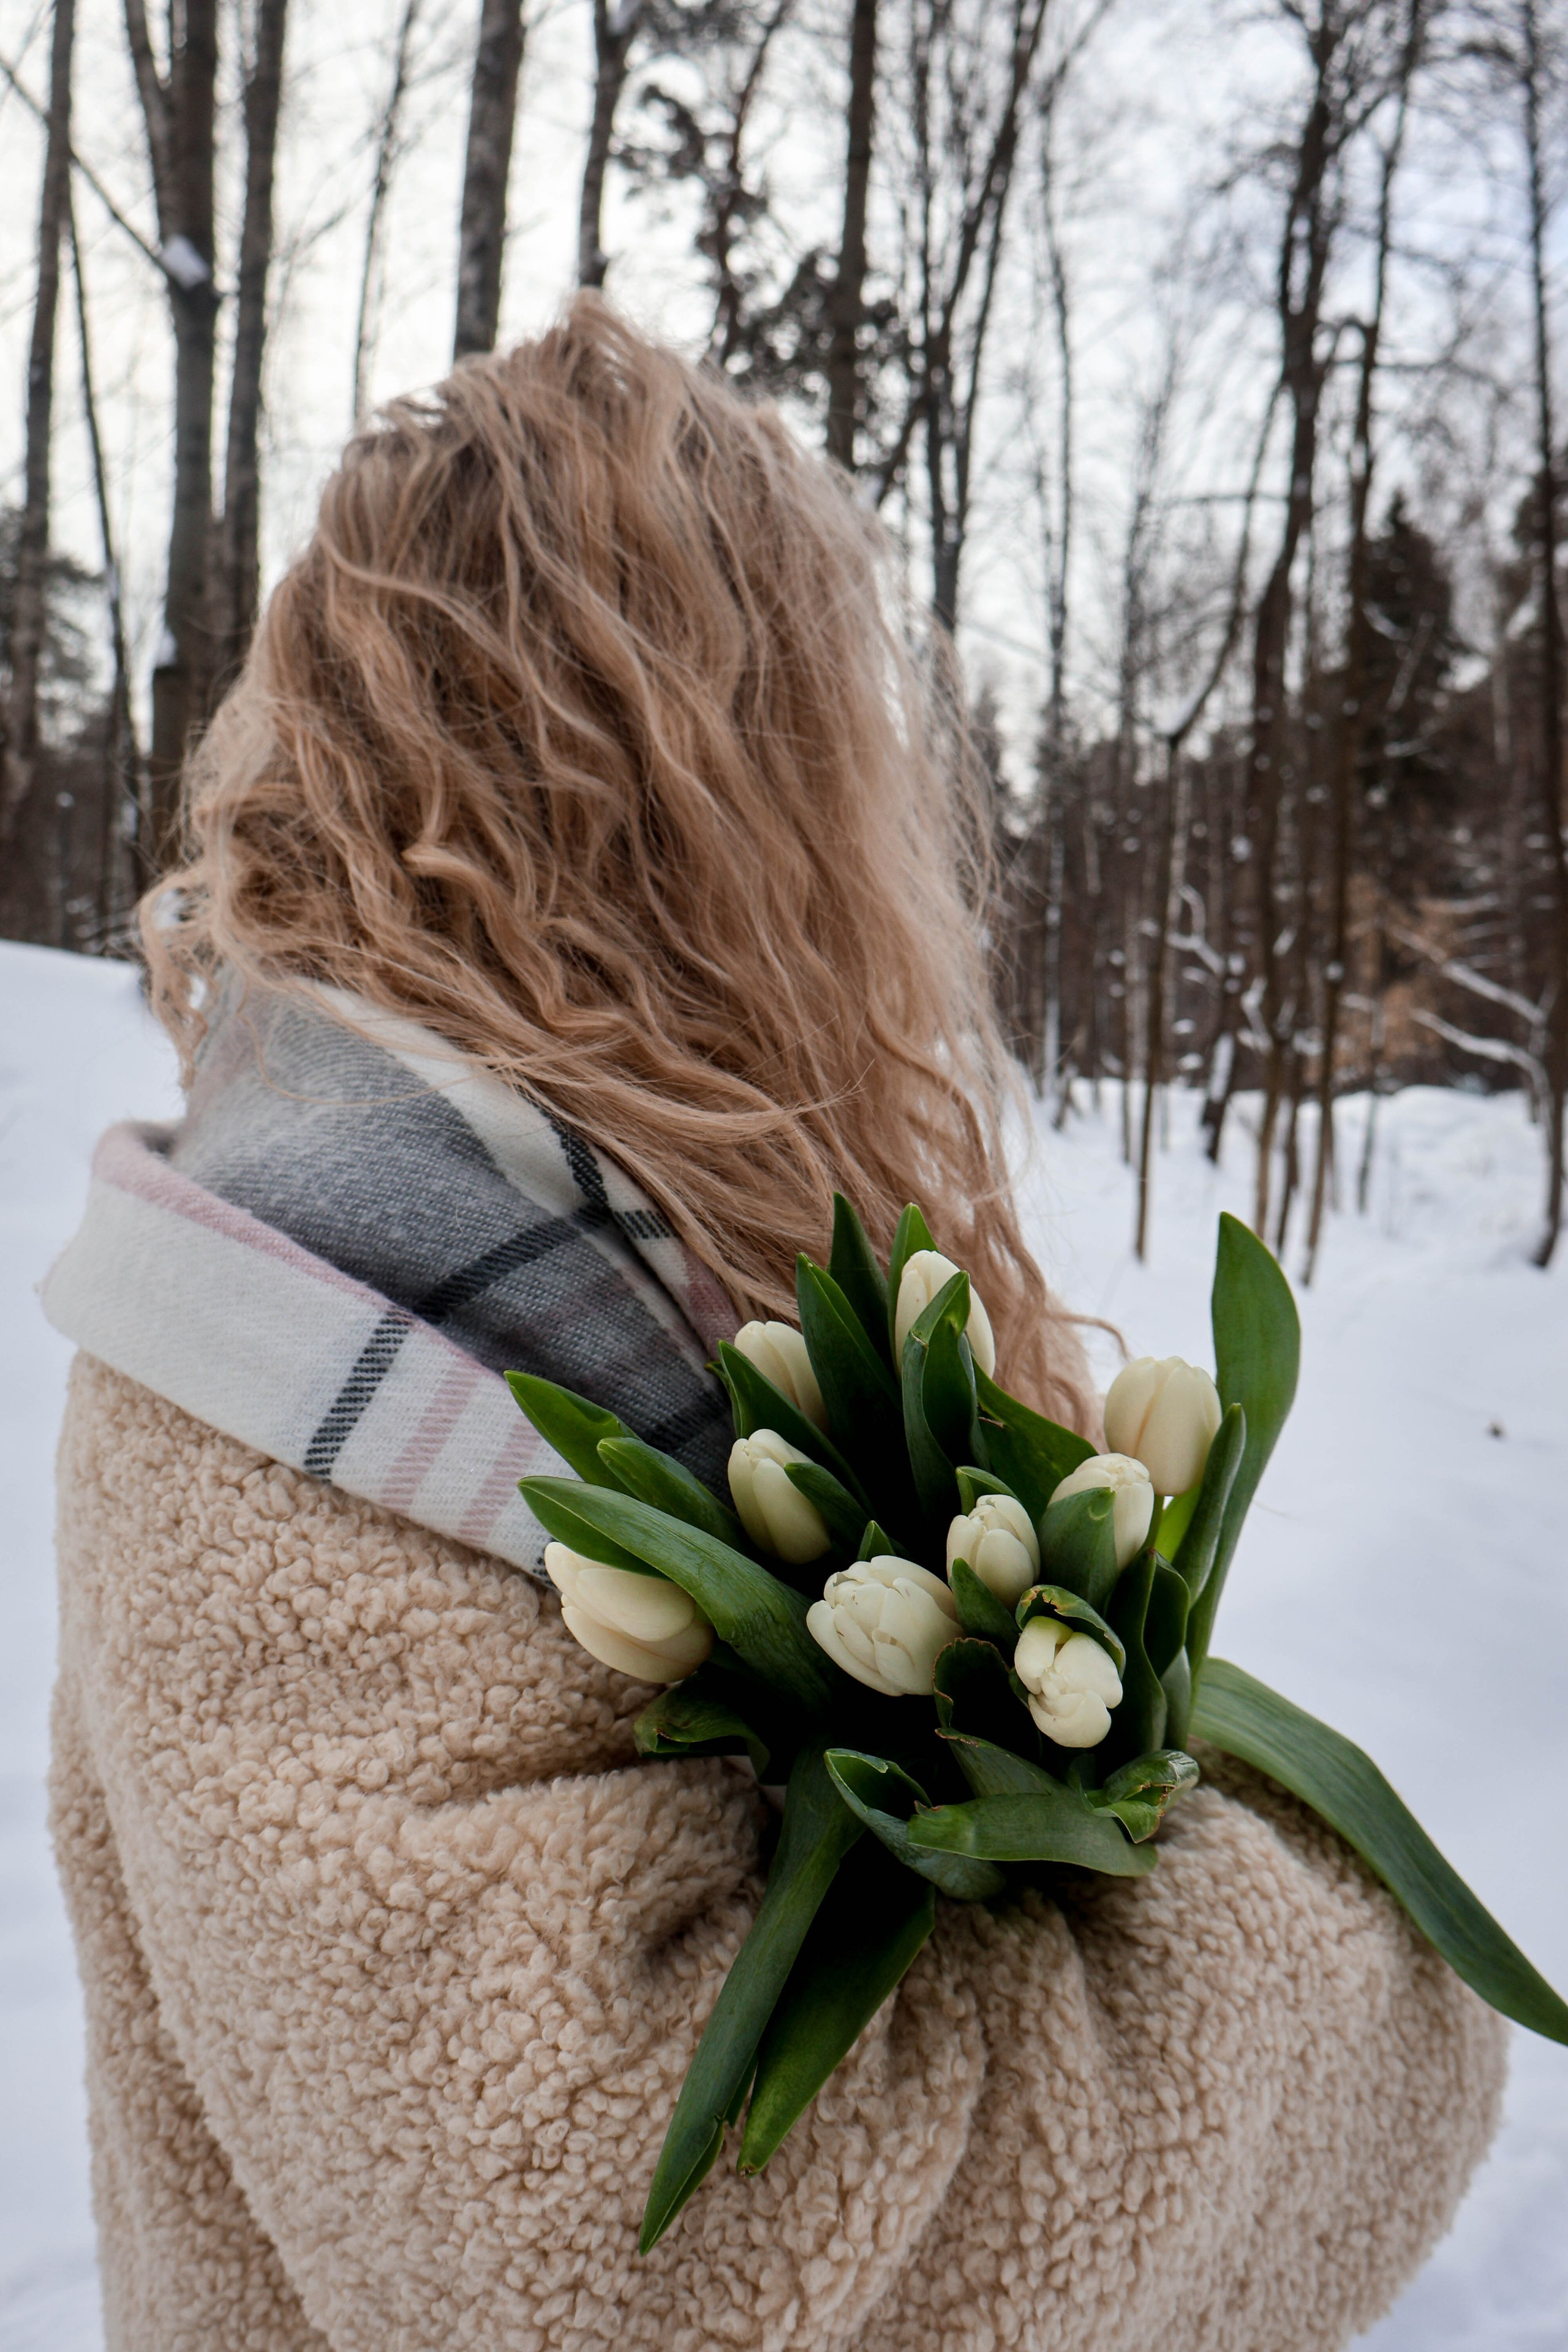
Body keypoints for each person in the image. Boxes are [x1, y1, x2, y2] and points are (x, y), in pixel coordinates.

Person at [45, 299, 1501, 2352]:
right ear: (704, 795)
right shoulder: (298, 1353)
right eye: (833, 740)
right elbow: (644, 2259)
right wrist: (1354, 1990)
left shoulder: (584, 1270)